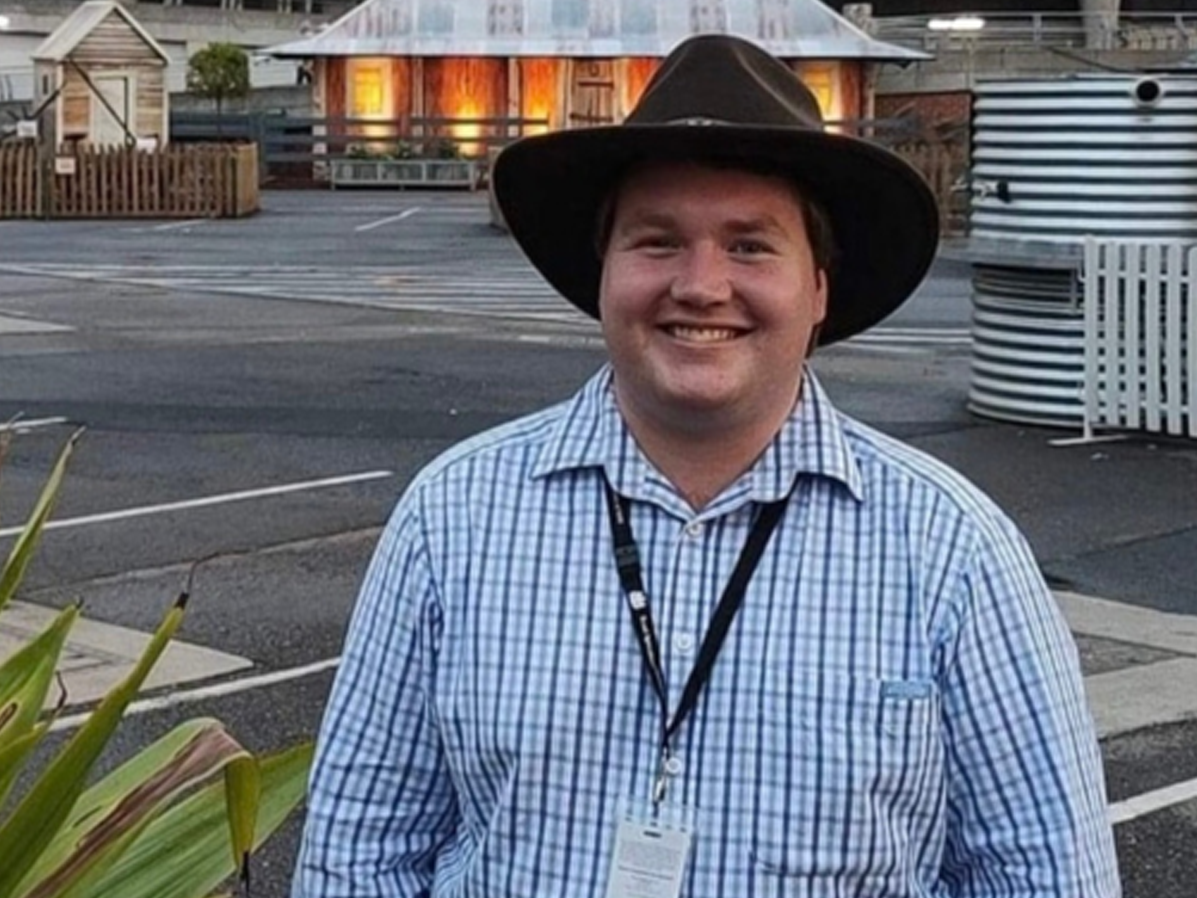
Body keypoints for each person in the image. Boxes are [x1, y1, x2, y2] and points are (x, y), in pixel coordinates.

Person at [292, 34, 1119, 898]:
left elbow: (1046, 878)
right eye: (656, 241)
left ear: (819, 290)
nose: (700, 284)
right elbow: (358, 857)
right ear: (603, 272)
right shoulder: (453, 518)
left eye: (751, 246)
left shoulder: (953, 550)